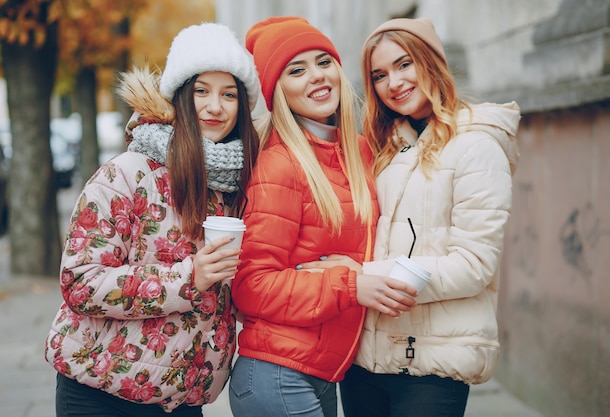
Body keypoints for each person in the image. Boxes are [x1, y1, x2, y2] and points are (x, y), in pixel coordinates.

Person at [44, 22, 261, 417]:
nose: (216, 106)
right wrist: (187, 278)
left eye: (229, 94)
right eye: (202, 91)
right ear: (179, 96)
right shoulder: (126, 173)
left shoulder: (239, 184)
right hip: (101, 392)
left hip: (181, 399)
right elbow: (79, 282)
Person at [227, 16, 417, 417]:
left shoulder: (361, 153)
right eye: (296, 70)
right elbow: (251, 285)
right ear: (277, 91)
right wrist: (350, 286)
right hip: (277, 374)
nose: (317, 77)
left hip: (323, 372)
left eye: (323, 62)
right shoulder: (280, 164)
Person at [332, 17, 521, 417]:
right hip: (365, 359)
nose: (393, 82)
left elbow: (474, 265)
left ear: (431, 62)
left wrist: (364, 274)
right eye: (379, 74)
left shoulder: (476, 147)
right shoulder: (385, 151)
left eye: (404, 64)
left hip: (435, 363)